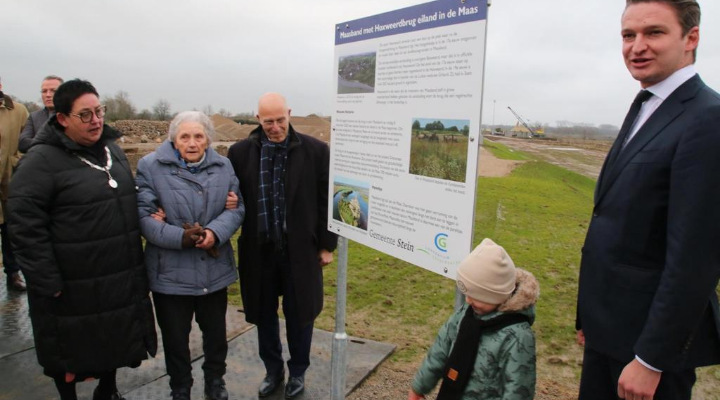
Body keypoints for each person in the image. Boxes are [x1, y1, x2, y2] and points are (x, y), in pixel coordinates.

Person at [576, 1, 720, 399]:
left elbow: (695, 258)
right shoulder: (648, 103)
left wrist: (651, 359)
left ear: (691, 38)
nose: (636, 46)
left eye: (653, 32)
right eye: (628, 35)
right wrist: (590, 315)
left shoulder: (707, 119)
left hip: (647, 353)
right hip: (609, 329)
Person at [7, 79, 157, 400]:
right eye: (85, 115)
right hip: (71, 282)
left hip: (115, 274)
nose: (97, 120)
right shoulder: (40, 163)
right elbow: (24, 225)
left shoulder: (111, 150)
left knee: (113, 337)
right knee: (69, 349)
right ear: (62, 119)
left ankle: (108, 391)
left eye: (99, 111)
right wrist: (46, 279)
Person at [227, 93, 337, 398]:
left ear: (289, 114)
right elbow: (229, 194)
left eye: (280, 120)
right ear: (257, 118)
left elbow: (327, 200)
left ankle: (298, 371)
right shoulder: (239, 153)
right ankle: (273, 370)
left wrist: (327, 246)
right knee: (264, 314)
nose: (274, 127)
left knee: (300, 314)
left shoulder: (316, 151)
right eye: (268, 121)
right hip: (259, 249)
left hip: (299, 249)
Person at [136, 111, 245, 400]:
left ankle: (215, 382)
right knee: (175, 338)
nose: (192, 143)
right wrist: (181, 237)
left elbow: (236, 210)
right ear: (174, 140)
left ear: (208, 138)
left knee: (215, 335)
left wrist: (213, 233)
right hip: (169, 273)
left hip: (213, 268)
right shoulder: (149, 166)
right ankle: (180, 387)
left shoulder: (224, 167)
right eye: (185, 136)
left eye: (198, 136)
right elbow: (145, 218)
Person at [408, 238, 538, 400]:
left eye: (476, 295)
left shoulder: (518, 336)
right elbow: (440, 350)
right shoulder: (466, 313)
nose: (468, 300)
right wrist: (420, 386)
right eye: (467, 294)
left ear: (496, 295)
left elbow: (518, 390)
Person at [0, 76, 29, 291]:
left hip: (9, 179)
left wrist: (16, 160)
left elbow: (27, 140)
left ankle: (13, 274)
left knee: (10, 229)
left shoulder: (17, 111)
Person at [19, 75, 63, 153]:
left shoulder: (71, 116)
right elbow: (22, 143)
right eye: (44, 91)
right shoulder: (34, 117)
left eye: (53, 91)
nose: (48, 95)